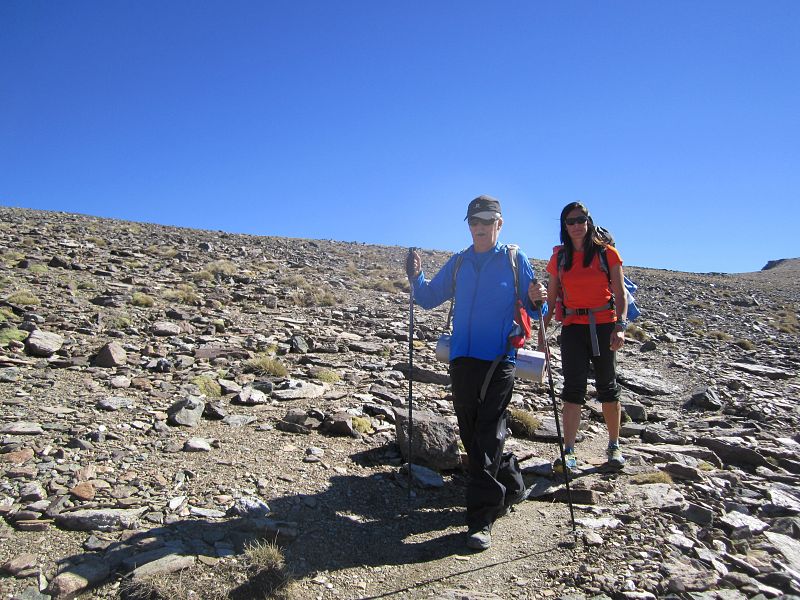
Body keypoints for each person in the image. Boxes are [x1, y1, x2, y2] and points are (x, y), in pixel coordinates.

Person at [406, 195, 547, 551]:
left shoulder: (515, 260)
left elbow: (535, 303)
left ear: (499, 224)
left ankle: (480, 519)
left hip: (501, 359)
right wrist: (415, 275)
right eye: (474, 222)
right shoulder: (459, 263)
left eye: (487, 222)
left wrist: (537, 296)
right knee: (472, 434)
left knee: (488, 431)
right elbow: (427, 298)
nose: (480, 228)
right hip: (462, 358)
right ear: (469, 225)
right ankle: (511, 484)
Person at [540, 201, 628, 473]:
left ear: (588, 221)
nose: (577, 225)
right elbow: (552, 298)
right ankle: (569, 451)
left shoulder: (607, 254)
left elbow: (621, 293)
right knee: (573, 389)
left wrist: (620, 326)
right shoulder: (560, 258)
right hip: (573, 328)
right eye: (571, 221)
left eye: (581, 219)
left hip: (604, 326)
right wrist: (542, 333)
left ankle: (614, 445)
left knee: (607, 386)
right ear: (564, 226)